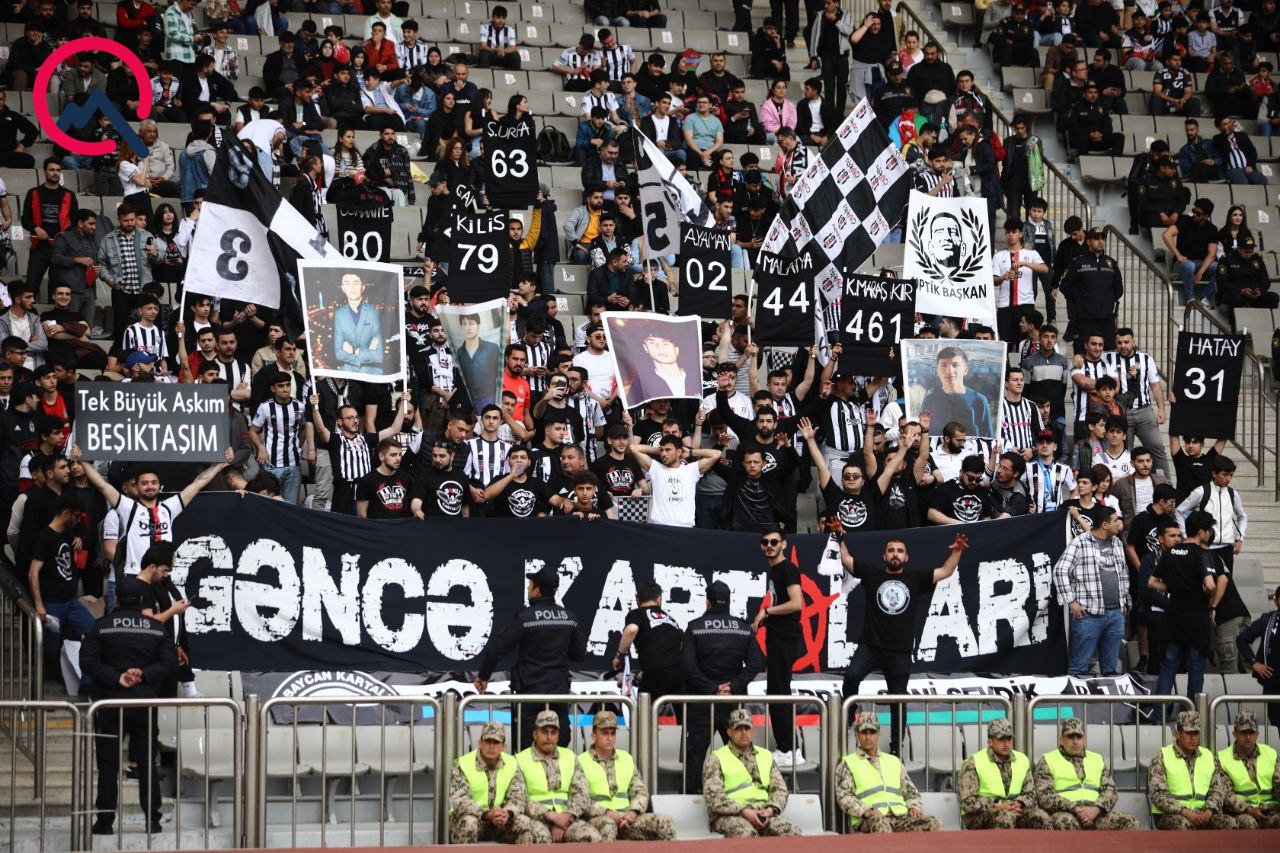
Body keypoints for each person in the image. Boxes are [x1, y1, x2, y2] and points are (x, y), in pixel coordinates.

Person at [837, 533, 970, 757]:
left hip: (899, 652)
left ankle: (896, 747)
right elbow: (847, 559)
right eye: (891, 551)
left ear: (906, 557)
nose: (895, 555)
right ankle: (850, 713)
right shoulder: (872, 574)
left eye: (899, 551)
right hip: (870, 646)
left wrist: (957, 550)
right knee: (851, 677)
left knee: (898, 700)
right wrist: (839, 537)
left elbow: (946, 571)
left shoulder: (915, 579)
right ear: (884, 556)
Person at [80, 576, 177, 836]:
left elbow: (87, 661)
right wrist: (143, 675)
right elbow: (169, 663)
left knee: (108, 765)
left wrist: (117, 677)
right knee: (146, 764)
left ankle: (104, 822)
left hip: (110, 704)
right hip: (144, 704)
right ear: (142, 600)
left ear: (116, 599)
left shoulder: (101, 627)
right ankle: (153, 821)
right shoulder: (156, 629)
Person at [474, 567, 585, 749]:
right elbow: (579, 655)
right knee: (559, 746)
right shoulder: (570, 618)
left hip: (529, 696)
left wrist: (483, 676)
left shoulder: (525, 618)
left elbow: (497, 649)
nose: (528, 589)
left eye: (530, 586)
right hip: (558, 695)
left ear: (537, 591)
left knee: (527, 748)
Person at [681, 580, 764, 793]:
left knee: (695, 756)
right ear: (729, 602)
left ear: (707, 603)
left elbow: (688, 667)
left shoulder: (694, 627)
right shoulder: (743, 629)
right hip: (732, 703)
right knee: (740, 752)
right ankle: (743, 795)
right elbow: (757, 663)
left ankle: (689, 799)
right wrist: (733, 686)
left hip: (701, 702)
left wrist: (711, 688)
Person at [701, 708, 801, 838]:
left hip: (763, 813)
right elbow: (714, 797)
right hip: (731, 815)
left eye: (747, 728)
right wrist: (744, 811)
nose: (743, 732)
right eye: (738, 728)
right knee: (746, 833)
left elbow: (780, 790)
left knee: (790, 831)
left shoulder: (765, 755)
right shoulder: (716, 758)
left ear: (752, 731)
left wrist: (770, 810)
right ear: (729, 732)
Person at [1053, 504, 1129, 676]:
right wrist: (1071, 601)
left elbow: (1123, 572)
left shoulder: (1117, 542)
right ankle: (1075, 694)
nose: (1119, 524)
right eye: (1115, 520)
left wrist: (1124, 600)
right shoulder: (1080, 542)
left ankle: (1109, 694)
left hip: (1116, 613)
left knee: (1111, 668)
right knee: (1079, 667)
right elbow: (1060, 570)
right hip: (1088, 614)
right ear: (1105, 524)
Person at [749, 530, 804, 767]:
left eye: (774, 541)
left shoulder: (787, 569)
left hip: (785, 639)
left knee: (779, 694)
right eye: (765, 542)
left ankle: (788, 749)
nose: (769, 545)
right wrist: (765, 619)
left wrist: (767, 611)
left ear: (784, 544)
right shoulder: (776, 571)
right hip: (778, 637)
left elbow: (797, 603)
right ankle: (790, 748)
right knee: (777, 693)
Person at [578, 710, 675, 841]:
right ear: (593, 736)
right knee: (608, 826)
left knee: (664, 823)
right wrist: (609, 813)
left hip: (628, 819)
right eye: (605, 733)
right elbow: (581, 800)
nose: (610, 738)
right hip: (599, 819)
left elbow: (641, 792)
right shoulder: (581, 761)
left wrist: (632, 812)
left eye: (613, 733)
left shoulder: (626, 758)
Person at [1150, 512, 1216, 701]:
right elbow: (1211, 585)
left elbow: (1152, 582)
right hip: (1197, 617)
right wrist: (1203, 592)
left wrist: (1174, 588)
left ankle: (1160, 713)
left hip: (1174, 615)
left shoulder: (1170, 552)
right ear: (1201, 532)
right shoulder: (1203, 554)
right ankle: (1192, 713)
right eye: (1209, 530)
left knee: (1169, 665)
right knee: (1195, 667)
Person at [837, 714, 941, 833]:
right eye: (864, 732)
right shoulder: (848, 763)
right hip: (870, 819)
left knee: (933, 823)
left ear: (879, 734)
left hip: (901, 817)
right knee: (880, 824)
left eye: (872, 732)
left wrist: (914, 807)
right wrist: (866, 811)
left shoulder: (894, 761)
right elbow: (844, 797)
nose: (868, 737)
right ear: (856, 735)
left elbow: (912, 792)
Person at [1033, 717, 1140, 830]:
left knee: (1129, 822)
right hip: (1066, 813)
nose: (1075, 741)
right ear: (1061, 740)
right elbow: (1044, 796)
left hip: (1096, 814)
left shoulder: (1097, 759)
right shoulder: (1048, 760)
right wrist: (1074, 808)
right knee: (1065, 822)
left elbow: (1110, 791)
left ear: (1084, 740)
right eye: (1070, 737)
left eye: (1079, 737)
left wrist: (1096, 809)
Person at [516, 710, 602, 843]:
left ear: (558, 735)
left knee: (592, 837)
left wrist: (566, 818)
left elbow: (581, 795)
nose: (549, 737)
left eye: (553, 732)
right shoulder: (520, 760)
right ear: (535, 734)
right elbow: (519, 799)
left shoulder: (570, 757)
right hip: (536, 819)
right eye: (544, 732)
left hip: (567, 819)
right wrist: (552, 817)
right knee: (540, 838)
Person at [1148, 711, 1240, 829]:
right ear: (1178, 734)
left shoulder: (1208, 756)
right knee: (1184, 825)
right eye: (1188, 733)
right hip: (1171, 814)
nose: (1193, 738)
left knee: (1230, 824)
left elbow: (1217, 789)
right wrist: (1186, 812)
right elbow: (1158, 795)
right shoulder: (1161, 758)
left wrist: (1209, 811)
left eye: (1196, 733)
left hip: (1203, 812)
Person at [447, 720, 535, 844]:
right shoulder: (462, 764)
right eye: (488, 741)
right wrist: (487, 814)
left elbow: (518, 798)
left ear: (503, 746)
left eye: (496, 742)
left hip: (500, 822)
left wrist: (507, 813)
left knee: (525, 822)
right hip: (473, 818)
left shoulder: (512, 764)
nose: (491, 746)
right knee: (469, 823)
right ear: (480, 743)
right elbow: (459, 801)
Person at [957, 718, 1053, 829]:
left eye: (1009, 738)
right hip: (980, 815)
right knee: (1005, 817)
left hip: (1014, 810)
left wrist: (1019, 803)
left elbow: (1031, 794)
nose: (1006, 743)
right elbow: (967, 802)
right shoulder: (973, 763)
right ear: (990, 742)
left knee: (1041, 817)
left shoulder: (1022, 759)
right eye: (1001, 739)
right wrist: (997, 805)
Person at [613, 580, 683, 706]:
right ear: (659, 599)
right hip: (679, 673)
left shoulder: (637, 613)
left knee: (644, 714)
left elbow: (631, 629)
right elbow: (667, 657)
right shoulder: (671, 619)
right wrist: (635, 679)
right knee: (682, 715)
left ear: (637, 600)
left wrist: (619, 656)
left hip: (655, 675)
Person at [629, 435, 721, 527]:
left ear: (679, 452)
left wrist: (691, 452)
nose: (663, 454)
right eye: (662, 450)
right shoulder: (655, 468)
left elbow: (717, 454)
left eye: (668, 450)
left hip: (685, 527)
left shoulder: (691, 470)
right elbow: (633, 448)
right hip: (659, 526)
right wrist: (659, 451)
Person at [1059, 227, 1124, 354]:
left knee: (1109, 354)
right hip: (1085, 320)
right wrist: (1080, 300)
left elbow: (1119, 289)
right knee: (1082, 354)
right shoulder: (1078, 262)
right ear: (1088, 241)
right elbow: (1064, 286)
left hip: (1107, 319)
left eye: (1102, 238)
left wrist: (1108, 301)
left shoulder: (1111, 263)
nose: (1100, 241)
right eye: (1096, 238)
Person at [1219, 711, 1280, 828]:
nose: (1247, 737)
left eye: (1251, 732)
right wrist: (1249, 809)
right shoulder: (1222, 758)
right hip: (1243, 811)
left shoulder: (1270, 753)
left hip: (1271, 809)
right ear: (1234, 734)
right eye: (1243, 732)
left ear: (1257, 734)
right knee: (1249, 823)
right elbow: (1226, 794)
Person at [919, 346, 994, 438]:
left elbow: (989, 437)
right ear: (937, 371)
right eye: (944, 365)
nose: (949, 370)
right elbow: (924, 434)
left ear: (965, 370)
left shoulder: (979, 401)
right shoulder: (930, 400)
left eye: (955, 365)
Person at [1236, 586, 1280, 734]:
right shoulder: (1267, 620)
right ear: (1276, 601)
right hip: (1272, 683)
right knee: (1277, 725)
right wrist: (1254, 662)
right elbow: (1242, 639)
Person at [621, 326, 700, 405]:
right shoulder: (643, 382)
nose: (660, 348)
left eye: (666, 343)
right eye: (652, 343)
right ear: (645, 348)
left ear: (676, 349)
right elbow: (632, 404)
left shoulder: (695, 377)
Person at [452, 312, 502, 412]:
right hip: (467, 400)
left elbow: (499, 375)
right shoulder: (460, 351)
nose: (468, 327)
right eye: (464, 324)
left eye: (471, 323)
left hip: (489, 397)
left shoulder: (492, 348)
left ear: (478, 326)